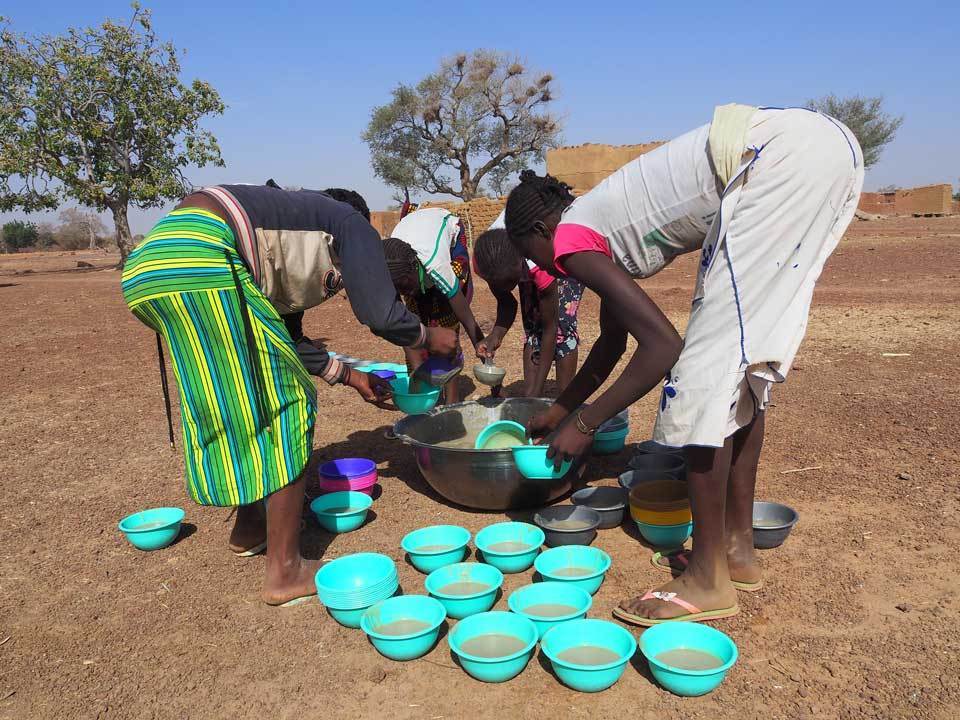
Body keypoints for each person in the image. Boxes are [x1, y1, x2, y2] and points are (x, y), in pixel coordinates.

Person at [504, 105, 864, 626]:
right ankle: (735, 550)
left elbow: (661, 346)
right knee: (739, 368)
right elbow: (610, 342)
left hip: (780, 159)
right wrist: (561, 407)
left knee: (702, 375)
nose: (544, 266)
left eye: (533, 254)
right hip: (815, 150)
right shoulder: (596, 226)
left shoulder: (568, 240)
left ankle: (706, 577)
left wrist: (584, 424)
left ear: (541, 229)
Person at [121, 183, 457, 606]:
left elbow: (288, 338)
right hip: (203, 259)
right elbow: (379, 313)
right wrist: (429, 335)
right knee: (288, 402)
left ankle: (250, 528)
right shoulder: (347, 221)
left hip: (151, 268)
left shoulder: (279, 241)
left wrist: (351, 377)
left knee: (246, 401)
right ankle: (286, 571)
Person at [473, 210, 583, 397]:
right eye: (500, 284)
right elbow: (507, 302)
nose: (508, 288)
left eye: (511, 281)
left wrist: (538, 388)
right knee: (532, 325)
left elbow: (551, 327)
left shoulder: (539, 261)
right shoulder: (485, 260)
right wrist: (495, 335)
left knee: (562, 327)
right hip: (521, 260)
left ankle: (565, 399)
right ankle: (532, 394)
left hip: (564, 249)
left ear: (521, 263)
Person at [384, 207, 485, 403]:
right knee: (415, 317)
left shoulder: (435, 263)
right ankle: (422, 398)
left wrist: (478, 342)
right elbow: (401, 323)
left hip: (448, 237)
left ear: (415, 269)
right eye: (400, 290)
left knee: (446, 322)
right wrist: (417, 368)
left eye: (406, 286)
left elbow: (461, 306)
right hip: (413, 247)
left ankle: (452, 402)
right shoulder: (389, 272)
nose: (405, 292)